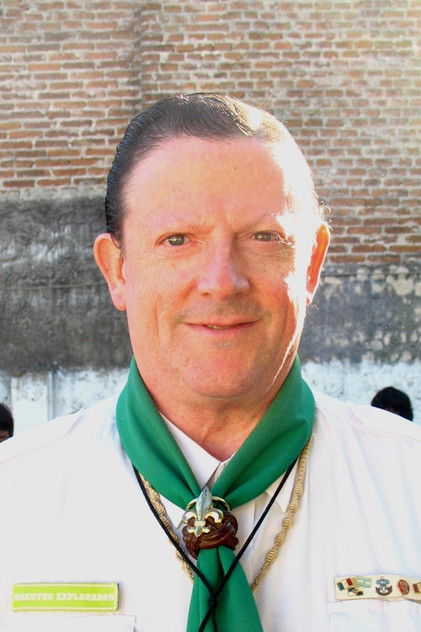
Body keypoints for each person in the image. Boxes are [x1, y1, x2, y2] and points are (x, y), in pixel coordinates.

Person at [0, 94, 420, 632]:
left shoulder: (409, 485)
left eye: (264, 238)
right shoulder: (13, 499)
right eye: (178, 240)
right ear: (117, 270)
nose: (222, 282)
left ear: (312, 263)